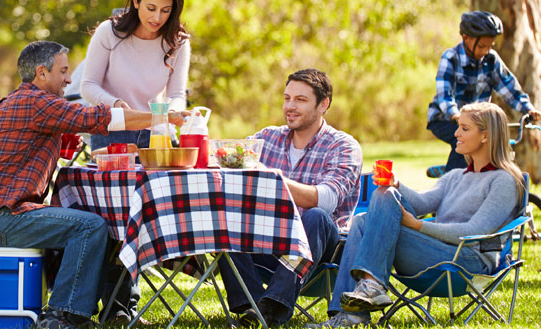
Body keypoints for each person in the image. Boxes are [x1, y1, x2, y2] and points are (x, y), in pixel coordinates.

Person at [0, 40, 187, 329]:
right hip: (0, 218)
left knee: (86, 221)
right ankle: (62, 316)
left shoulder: (15, 102)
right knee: (88, 226)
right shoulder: (38, 102)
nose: (69, 79)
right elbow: (101, 118)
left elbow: (32, 146)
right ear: (41, 73)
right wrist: (162, 115)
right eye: (63, 71)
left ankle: (81, 308)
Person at [308, 102, 525, 328]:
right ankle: (357, 304)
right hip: (435, 252)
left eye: (464, 128)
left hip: (467, 261)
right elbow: (422, 203)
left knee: (367, 220)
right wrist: (396, 184)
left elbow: (474, 231)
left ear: (485, 136)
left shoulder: (504, 181)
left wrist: (418, 226)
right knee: (372, 209)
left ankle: (360, 303)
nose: (456, 133)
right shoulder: (456, 176)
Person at [217, 69, 363, 327]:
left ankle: (271, 307)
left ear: (324, 104)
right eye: (287, 98)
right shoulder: (266, 138)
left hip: (320, 247)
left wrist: (271, 178)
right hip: (267, 239)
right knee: (225, 217)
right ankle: (252, 307)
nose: (290, 107)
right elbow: (229, 164)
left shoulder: (343, 145)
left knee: (316, 215)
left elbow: (325, 200)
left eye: (301, 100)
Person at [426, 11, 540, 176]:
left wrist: (527, 109)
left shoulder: (491, 60)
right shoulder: (451, 58)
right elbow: (445, 94)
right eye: (481, 46)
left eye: (489, 46)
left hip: (477, 121)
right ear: (466, 38)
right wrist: (456, 115)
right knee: (464, 140)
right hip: (444, 119)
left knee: (488, 145)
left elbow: (509, 88)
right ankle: (452, 177)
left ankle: (460, 170)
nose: (486, 51)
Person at [81, 0, 191, 150]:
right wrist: (116, 103)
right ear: (136, 3)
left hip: (155, 134)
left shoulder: (177, 41)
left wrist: (171, 114)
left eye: (165, 10)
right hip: (112, 130)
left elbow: (177, 94)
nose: (157, 18)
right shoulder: (109, 32)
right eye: (151, 8)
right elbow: (88, 86)